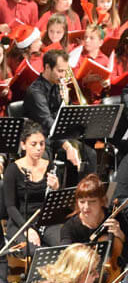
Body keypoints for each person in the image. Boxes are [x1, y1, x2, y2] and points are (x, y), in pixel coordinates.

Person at [24, 48, 97, 183]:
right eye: (60, 71)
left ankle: (85, 194)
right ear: (47, 67)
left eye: (65, 71)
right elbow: (48, 123)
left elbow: (63, 118)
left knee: (89, 154)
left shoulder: (58, 86)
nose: (63, 75)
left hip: (58, 136)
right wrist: (67, 146)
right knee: (52, 157)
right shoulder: (35, 92)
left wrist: (66, 101)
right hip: (41, 139)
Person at [3, 122, 61, 253]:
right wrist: (27, 229)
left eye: (42, 143)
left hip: (45, 221)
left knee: (62, 246)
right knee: (35, 251)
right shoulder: (12, 170)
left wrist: (56, 188)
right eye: (33, 144)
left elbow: (56, 205)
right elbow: (10, 207)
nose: (39, 148)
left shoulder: (50, 166)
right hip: (20, 222)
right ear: (23, 145)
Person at [61, 173, 128, 267]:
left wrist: (121, 236)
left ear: (102, 201)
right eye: (82, 202)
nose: (86, 207)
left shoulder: (115, 217)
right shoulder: (70, 227)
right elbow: (66, 259)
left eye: (92, 201)